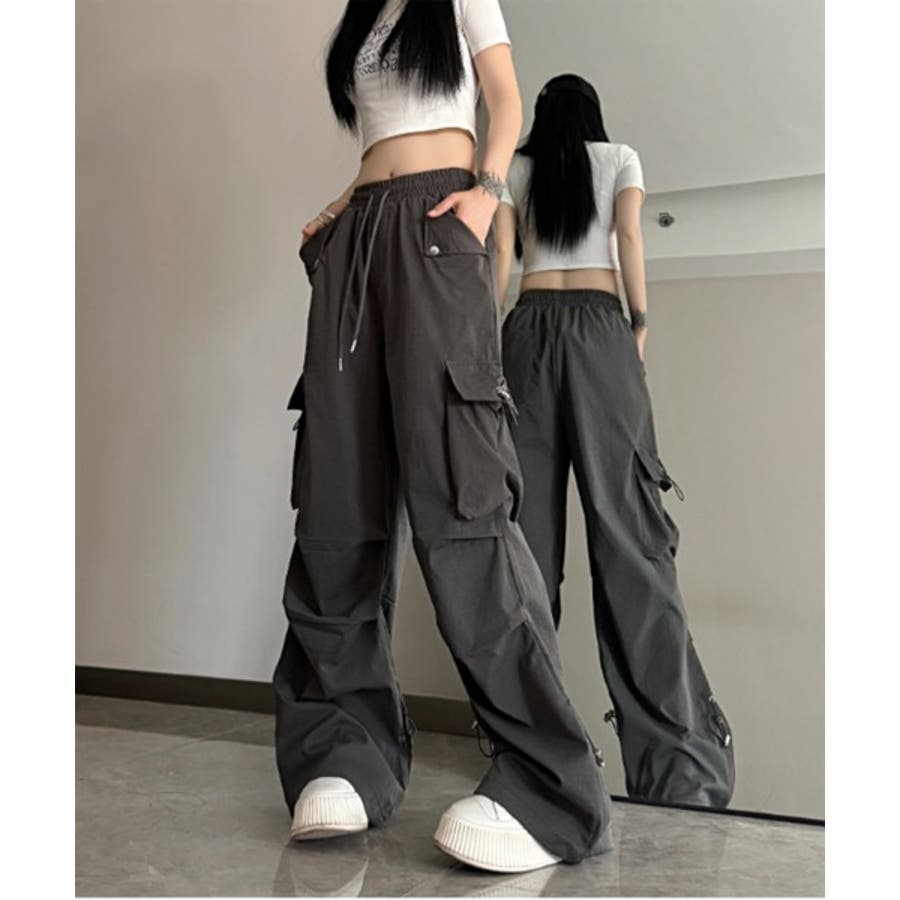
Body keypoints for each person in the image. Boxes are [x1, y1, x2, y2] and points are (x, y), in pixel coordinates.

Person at [272, 4, 613, 874]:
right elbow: (381, 139)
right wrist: (343, 209)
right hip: (360, 236)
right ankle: (344, 748)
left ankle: (548, 786)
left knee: (464, 500)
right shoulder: (365, 15)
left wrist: (485, 195)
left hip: (439, 225)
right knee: (336, 492)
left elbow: (505, 97)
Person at [493, 73, 735, 808]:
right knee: (631, 541)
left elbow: (499, 262)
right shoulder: (620, 157)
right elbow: (629, 236)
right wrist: (639, 323)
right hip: (601, 330)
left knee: (524, 545)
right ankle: (678, 769)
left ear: (539, 118)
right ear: (594, 117)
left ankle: (529, 756)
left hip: (527, 334)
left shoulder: (517, 169)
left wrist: (485, 343)